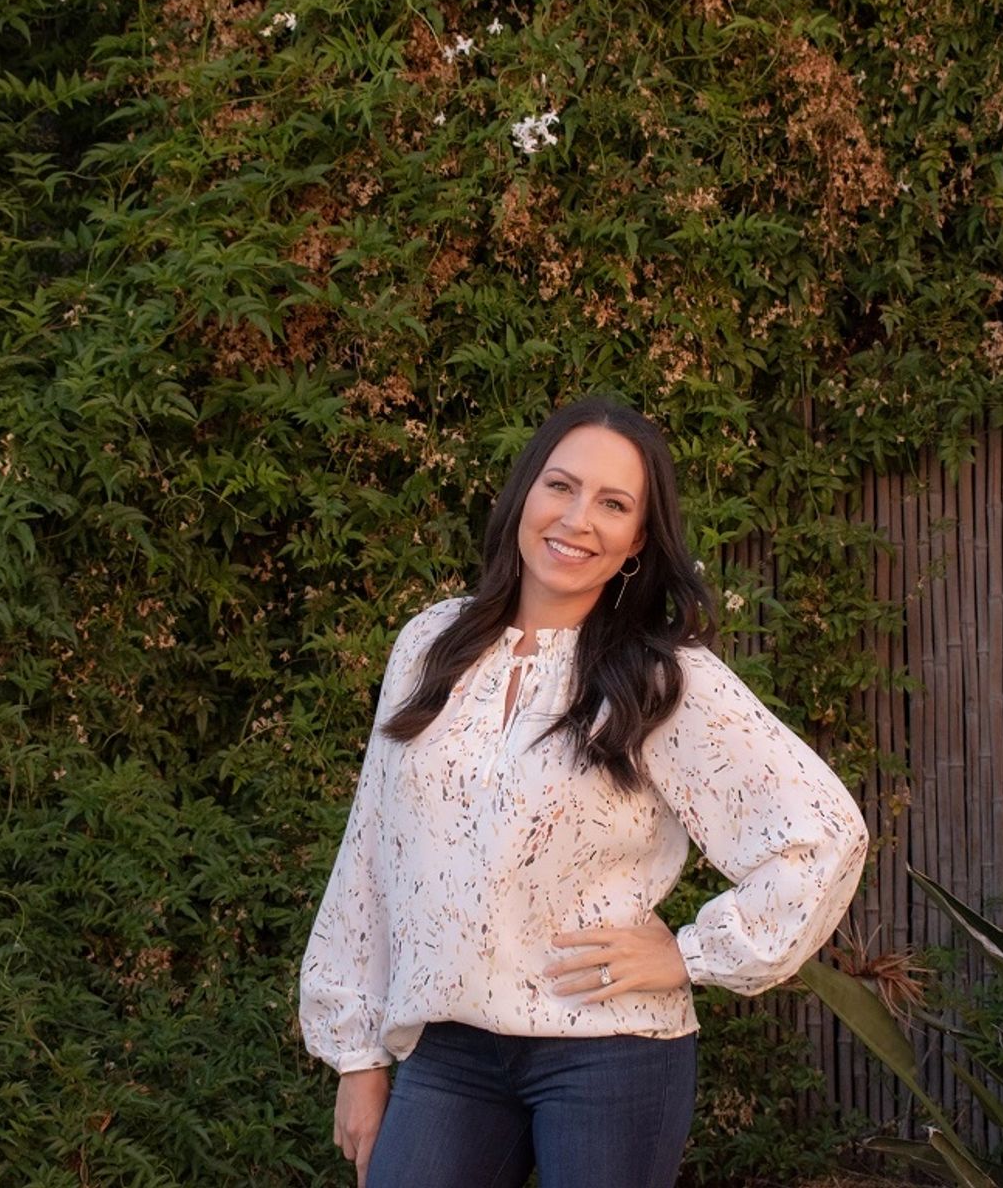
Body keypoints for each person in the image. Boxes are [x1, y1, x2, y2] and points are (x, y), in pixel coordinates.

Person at [299, 396, 869, 1188]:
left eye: (613, 504)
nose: (577, 519)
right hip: (452, 1047)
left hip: (611, 1052)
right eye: (560, 487)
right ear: (524, 495)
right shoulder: (429, 645)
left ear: (638, 539)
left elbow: (822, 833)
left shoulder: (664, 679)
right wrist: (357, 1055)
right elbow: (372, 849)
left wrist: (689, 952)